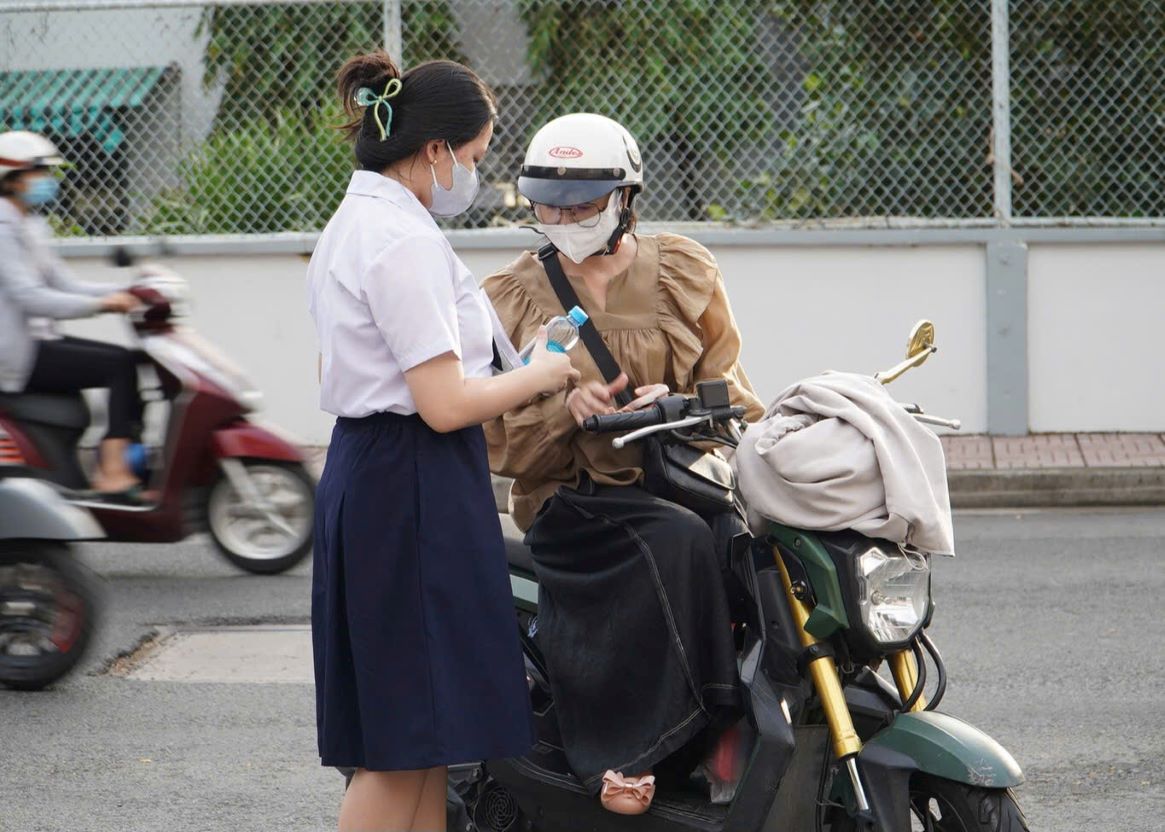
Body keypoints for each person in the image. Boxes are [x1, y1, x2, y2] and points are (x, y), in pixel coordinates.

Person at [306, 51, 579, 832]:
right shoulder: (401, 240)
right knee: (400, 749)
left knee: (423, 741)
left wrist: (522, 368)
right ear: (433, 151)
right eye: (472, 157)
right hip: (409, 484)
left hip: (384, 474)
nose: (473, 173)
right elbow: (444, 404)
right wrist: (543, 375)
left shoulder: (363, 222)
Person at [483, 113, 766, 815]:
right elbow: (496, 439)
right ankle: (645, 748)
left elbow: (733, 395)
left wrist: (673, 402)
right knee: (675, 540)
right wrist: (559, 403)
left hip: (676, 482)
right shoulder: (510, 298)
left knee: (750, 547)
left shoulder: (683, 270)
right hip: (572, 500)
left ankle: (762, 718)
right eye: (547, 204)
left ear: (624, 198)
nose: (562, 218)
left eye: (580, 205)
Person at [0, 130, 146, 500]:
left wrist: (128, 290)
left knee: (136, 360)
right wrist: (102, 304)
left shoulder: (30, 225)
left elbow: (64, 283)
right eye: (39, 172)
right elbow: (30, 297)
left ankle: (126, 460)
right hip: (16, 355)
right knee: (119, 364)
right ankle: (113, 471)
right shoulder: (2, 229)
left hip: (39, 341)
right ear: (12, 177)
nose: (47, 181)